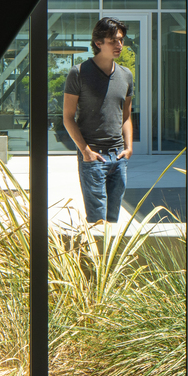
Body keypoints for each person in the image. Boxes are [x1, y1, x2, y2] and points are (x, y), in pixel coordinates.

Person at [63, 16, 133, 226]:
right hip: (93, 157)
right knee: (97, 222)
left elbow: (126, 115)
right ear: (98, 43)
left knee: (113, 220)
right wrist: (85, 151)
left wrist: (128, 148)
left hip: (119, 157)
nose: (119, 45)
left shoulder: (126, 75)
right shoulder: (79, 73)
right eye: (113, 40)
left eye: (121, 39)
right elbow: (67, 117)